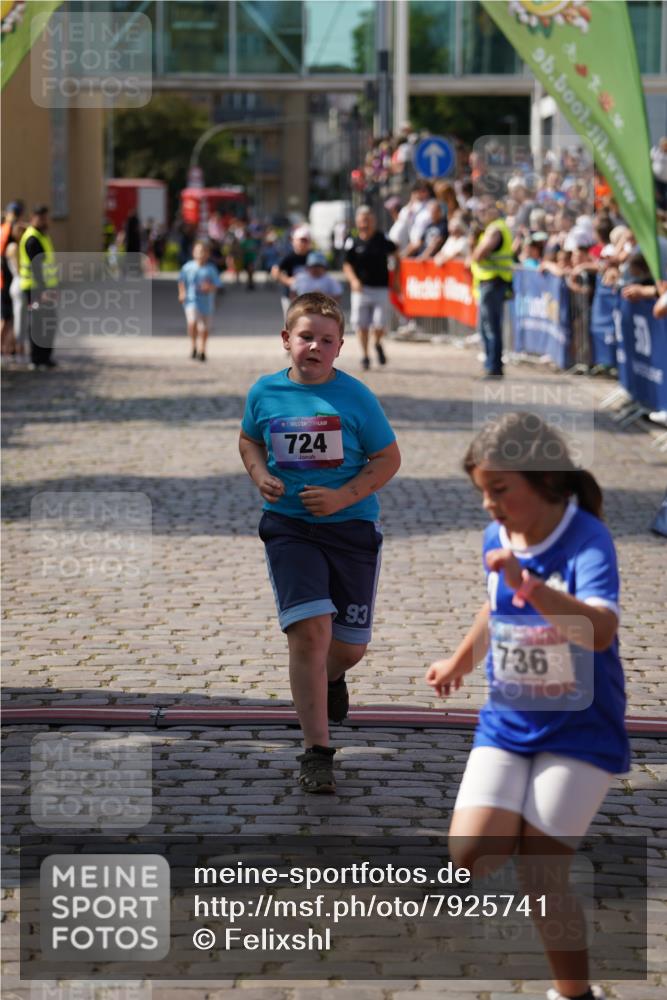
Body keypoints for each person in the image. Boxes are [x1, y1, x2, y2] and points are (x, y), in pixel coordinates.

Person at [425, 413, 628, 1000]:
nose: (489, 506)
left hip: (580, 729)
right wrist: (460, 662)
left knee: (543, 878)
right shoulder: (497, 537)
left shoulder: (587, 536)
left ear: (543, 480)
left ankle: (574, 994)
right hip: (509, 722)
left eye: (499, 491)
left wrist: (529, 583)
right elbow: (494, 607)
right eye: (482, 492)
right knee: (471, 854)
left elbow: (601, 632)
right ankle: (528, 829)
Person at [239, 292, 401, 793]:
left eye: (326, 340)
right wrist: (260, 473)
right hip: (289, 528)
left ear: (340, 347)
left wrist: (341, 497)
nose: (315, 346)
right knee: (309, 633)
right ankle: (317, 750)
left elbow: (387, 460)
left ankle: (333, 678)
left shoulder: (356, 398)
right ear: (287, 340)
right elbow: (249, 440)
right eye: (306, 337)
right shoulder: (264, 393)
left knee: (348, 648)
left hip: (350, 529)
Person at [343, 206, 396, 371]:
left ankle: (378, 342)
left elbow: (396, 254)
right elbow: (346, 264)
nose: (365, 223)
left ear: (373, 221)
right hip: (361, 289)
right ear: (357, 223)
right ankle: (365, 355)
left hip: (380, 287)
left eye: (368, 220)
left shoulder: (382, 239)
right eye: (362, 220)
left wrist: (397, 278)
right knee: (362, 325)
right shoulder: (352, 241)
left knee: (380, 324)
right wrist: (353, 280)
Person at [469, 200, 514, 380]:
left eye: (483, 210)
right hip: (490, 283)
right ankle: (490, 365)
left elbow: (478, 255)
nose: (480, 214)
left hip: (493, 282)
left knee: (491, 327)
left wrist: (473, 245)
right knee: (486, 326)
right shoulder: (495, 228)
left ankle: (494, 367)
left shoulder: (495, 229)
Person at [19, 204, 58, 370]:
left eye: (45, 217)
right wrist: (43, 292)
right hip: (36, 289)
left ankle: (45, 358)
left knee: (48, 322)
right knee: (38, 324)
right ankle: (36, 359)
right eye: (41, 218)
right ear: (34, 218)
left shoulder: (43, 236)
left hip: (46, 288)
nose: (44, 220)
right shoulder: (32, 239)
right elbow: (36, 269)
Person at [177, 239, 222, 362]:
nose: (201, 254)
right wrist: (181, 293)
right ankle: (193, 345)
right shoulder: (187, 267)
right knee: (192, 322)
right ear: (193, 253)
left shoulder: (211, 269)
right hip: (191, 300)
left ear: (207, 254)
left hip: (206, 302)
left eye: (203, 251)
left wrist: (210, 287)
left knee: (204, 328)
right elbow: (181, 280)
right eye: (198, 251)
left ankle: (202, 349)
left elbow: (218, 284)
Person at [271, 225, 312, 318]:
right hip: (290, 296)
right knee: (291, 321)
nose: (303, 243)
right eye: (301, 240)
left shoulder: (313, 256)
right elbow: (275, 271)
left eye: (306, 240)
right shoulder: (289, 257)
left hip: (309, 296)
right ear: (294, 241)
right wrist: (287, 281)